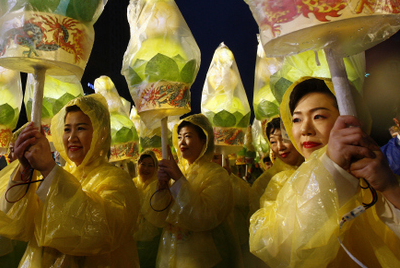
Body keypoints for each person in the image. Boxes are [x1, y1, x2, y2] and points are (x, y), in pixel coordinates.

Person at [0, 94, 140, 267]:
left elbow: (101, 231)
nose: (71, 137)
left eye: (81, 128)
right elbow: (12, 220)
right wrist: (24, 169)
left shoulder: (118, 180)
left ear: (101, 133)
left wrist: (49, 169)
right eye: (67, 129)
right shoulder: (61, 174)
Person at [250, 77, 400, 267]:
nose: (305, 129)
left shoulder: (377, 176)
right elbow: (274, 247)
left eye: (318, 116)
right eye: (296, 119)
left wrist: (391, 189)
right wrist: (331, 169)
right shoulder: (282, 183)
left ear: (350, 119)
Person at [152, 114, 243, 268]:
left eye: (188, 136)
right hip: (169, 257)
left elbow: (206, 216)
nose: (182, 142)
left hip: (204, 260)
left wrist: (179, 180)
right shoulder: (176, 171)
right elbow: (157, 217)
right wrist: (161, 189)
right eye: (179, 137)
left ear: (204, 140)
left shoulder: (217, 174)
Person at [249, 117, 304, 214]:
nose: (280, 147)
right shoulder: (265, 182)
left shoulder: (318, 167)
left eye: (284, 139)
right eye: (273, 142)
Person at [133, 150, 162, 268]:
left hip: (153, 238)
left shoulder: (159, 185)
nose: (146, 168)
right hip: (134, 237)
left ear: (155, 168)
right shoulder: (131, 184)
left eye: (150, 165)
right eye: (143, 164)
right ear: (138, 165)